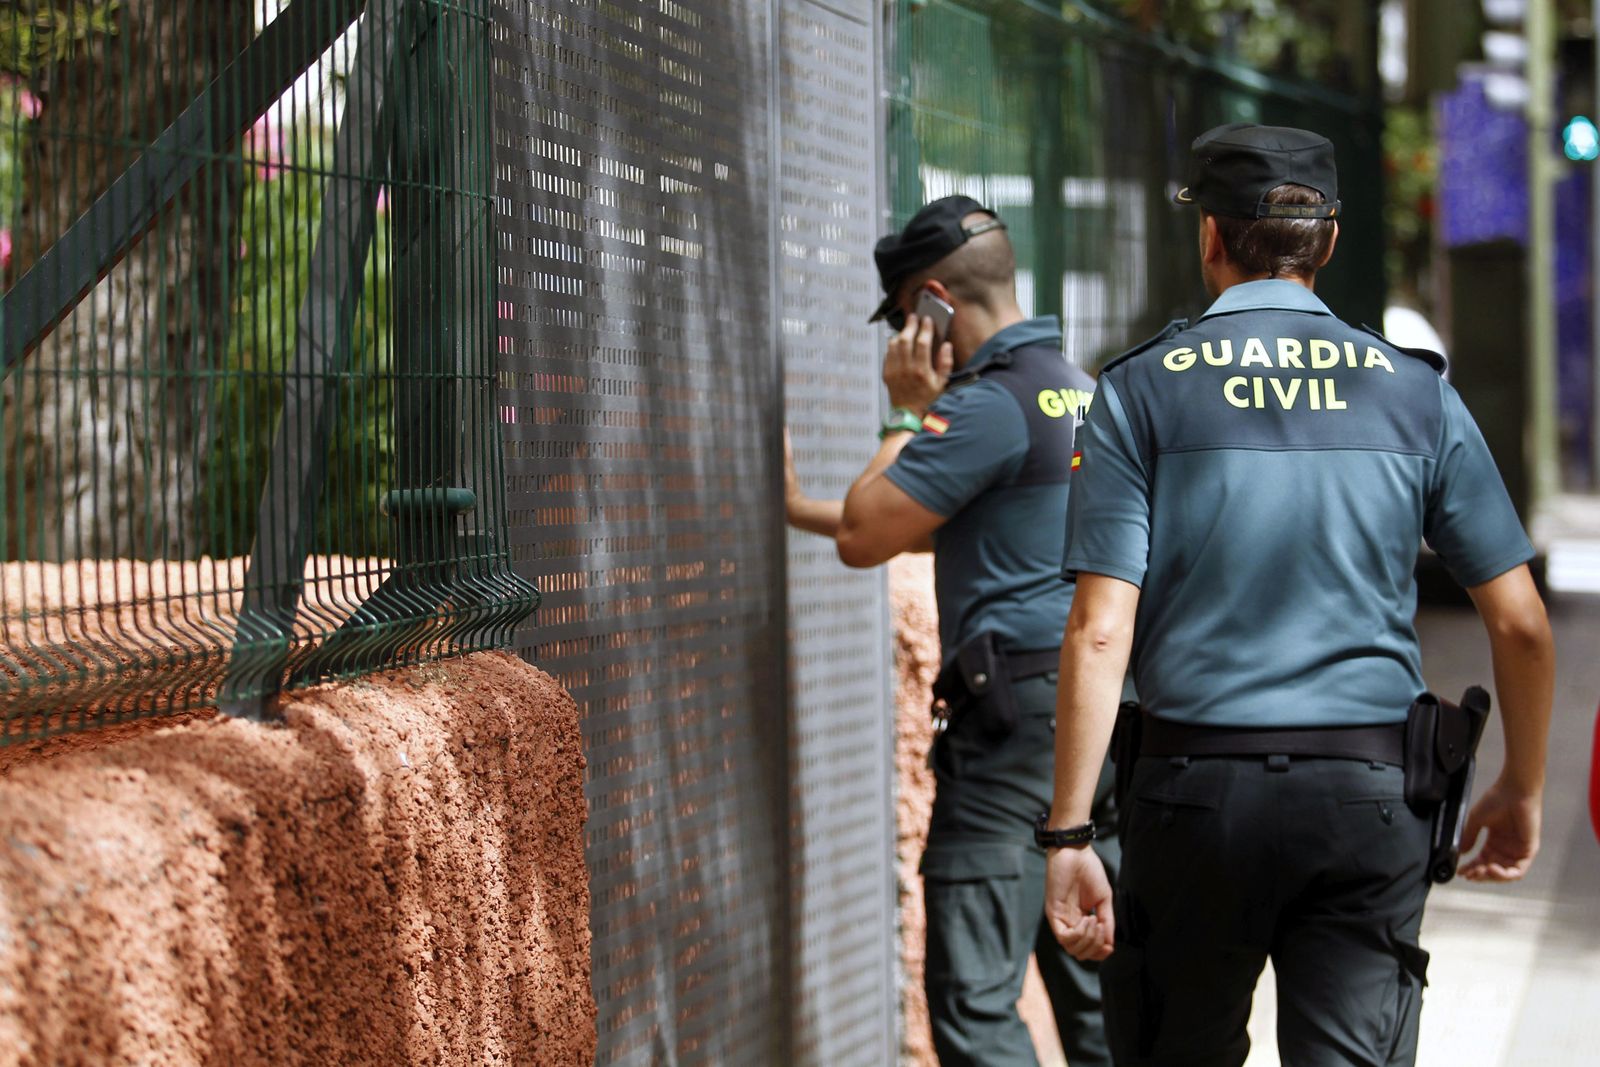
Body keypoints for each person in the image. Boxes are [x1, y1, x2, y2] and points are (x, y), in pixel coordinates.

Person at [1039, 123, 1555, 1067]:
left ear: (1210, 238)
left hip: (1192, 799)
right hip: (1368, 798)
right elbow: (1519, 623)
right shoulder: (1415, 395)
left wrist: (1070, 828)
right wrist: (1522, 783)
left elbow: (1099, 627)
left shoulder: (1138, 392)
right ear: (1330, 239)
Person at [785, 194, 1118, 1066]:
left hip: (1012, 731)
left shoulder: (983, 405)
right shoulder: (1081, 393)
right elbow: (934, 518)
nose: (900, 340)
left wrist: (903, 409)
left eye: (901, 318)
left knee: (973, 1002)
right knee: (1096, 1001)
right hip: (1098, 714)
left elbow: (870, 535)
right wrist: (801, 509)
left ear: (932, 301)